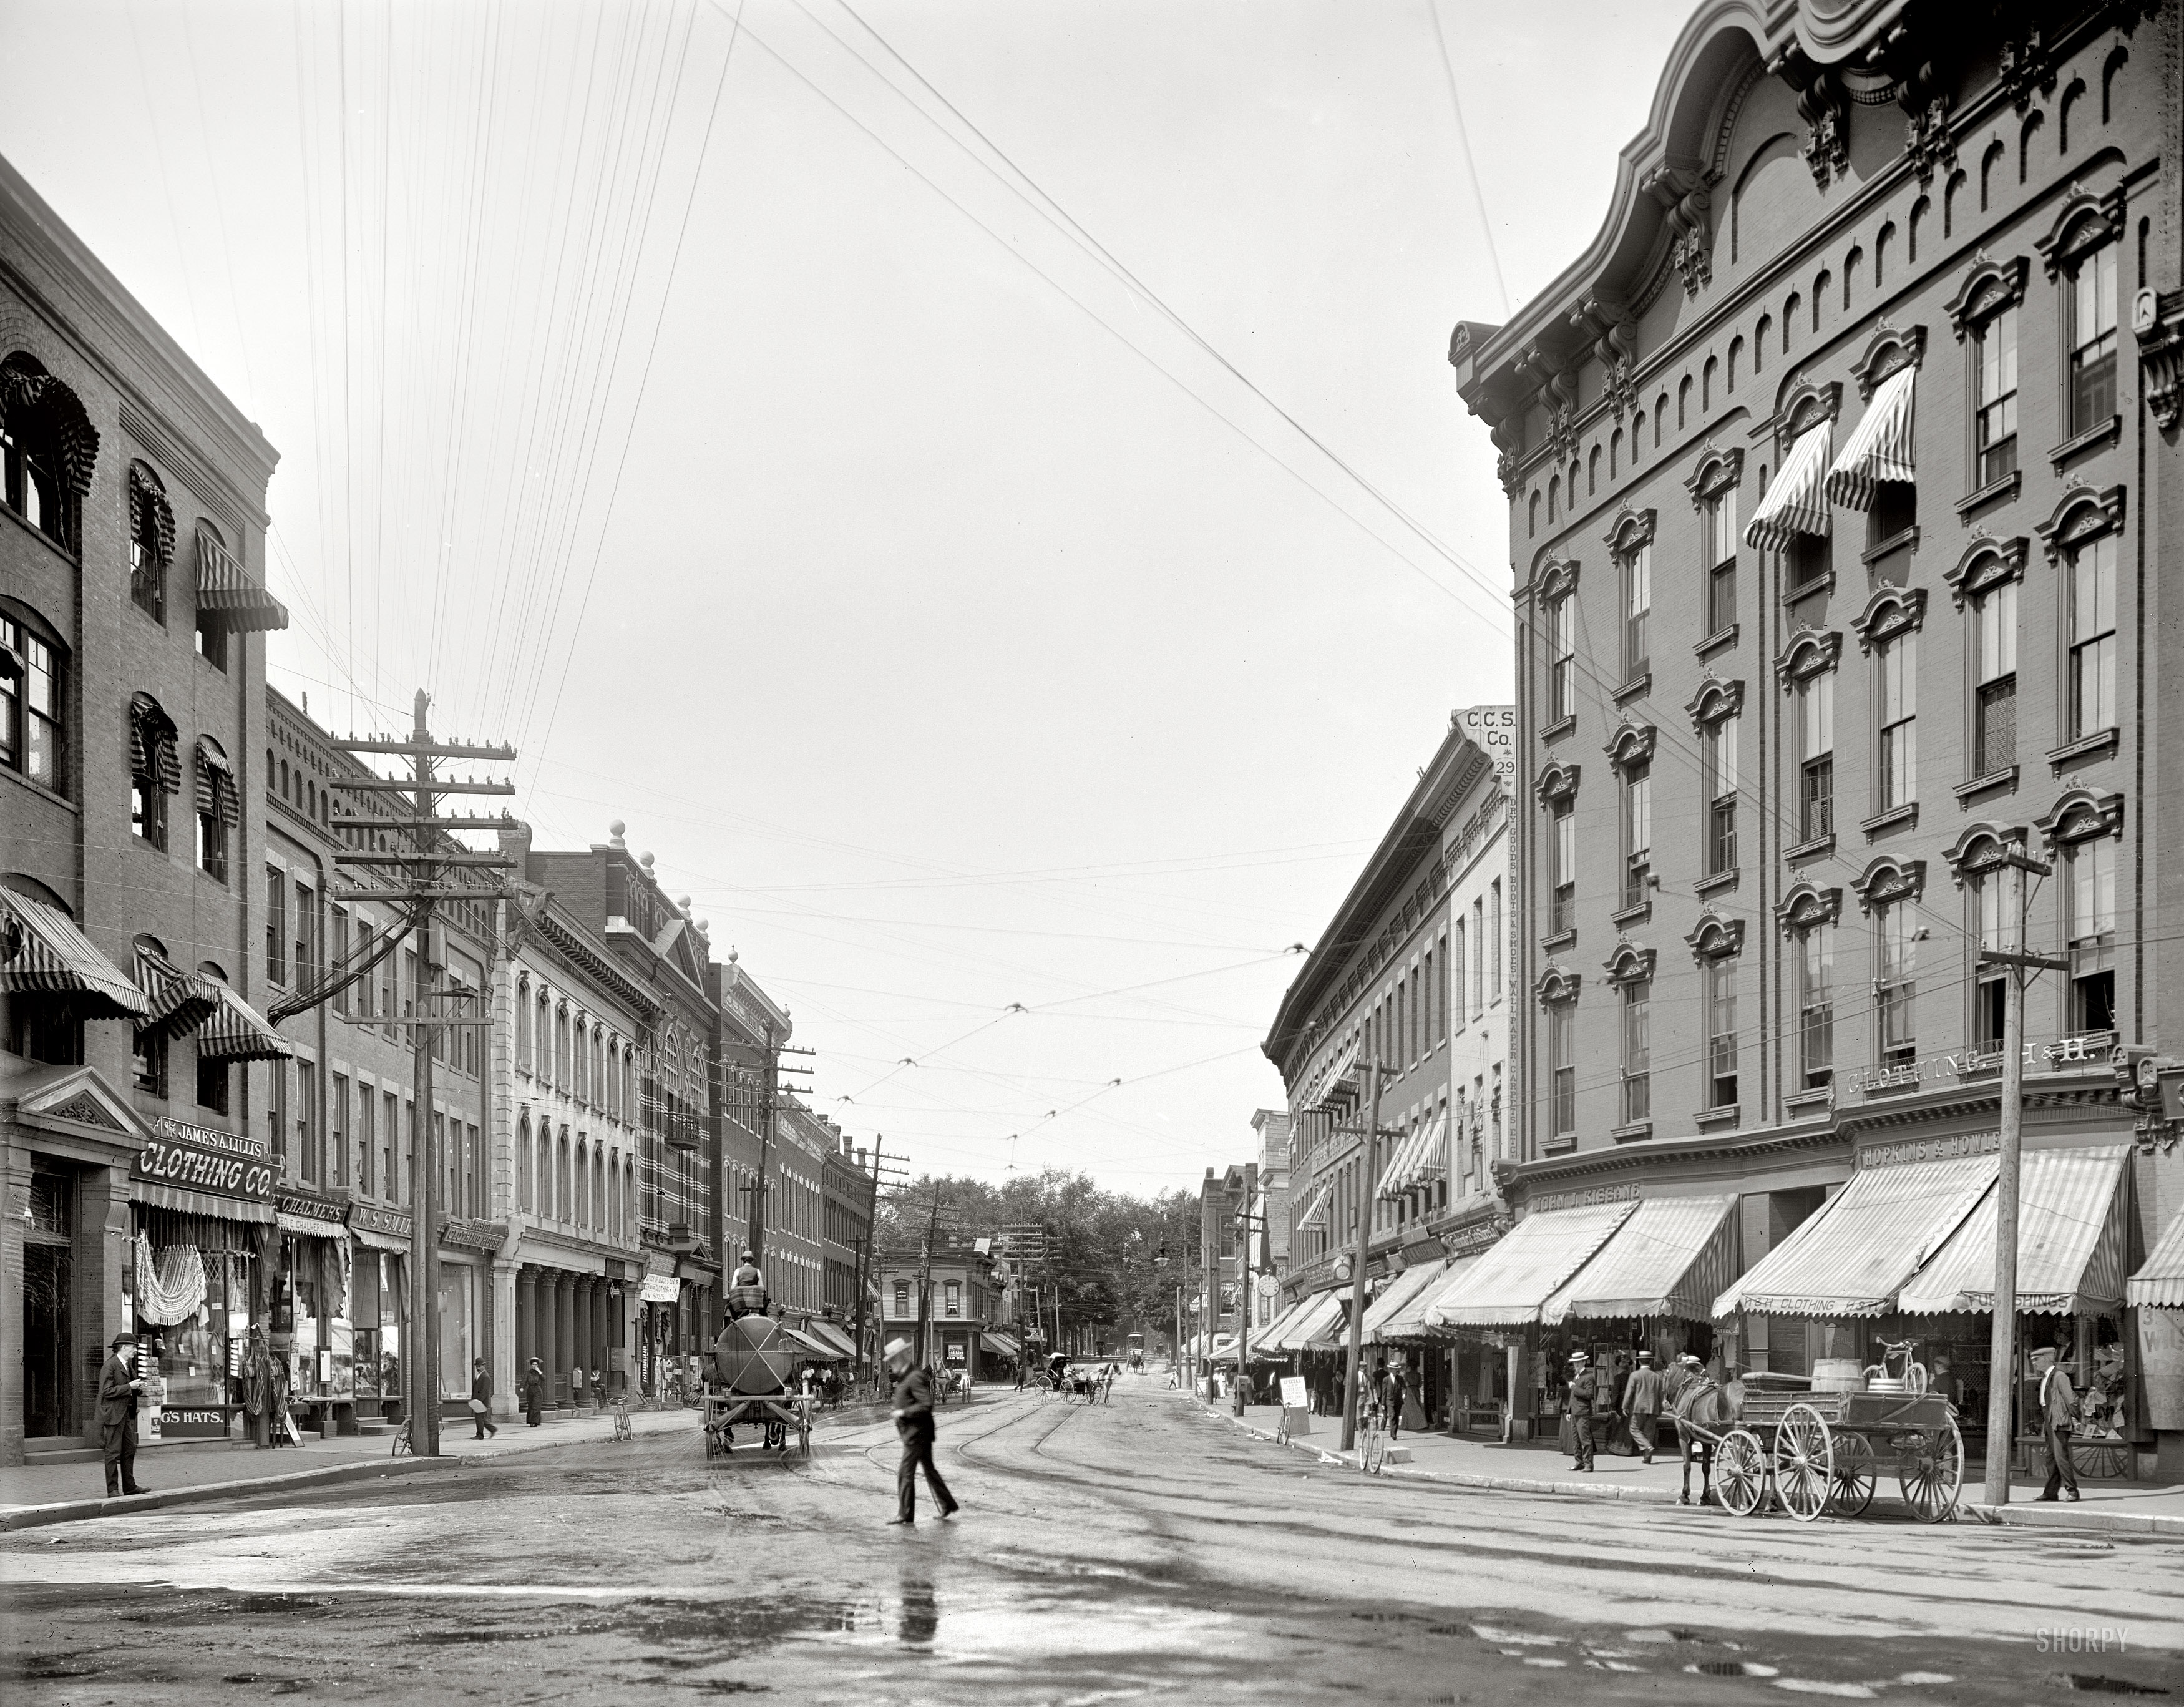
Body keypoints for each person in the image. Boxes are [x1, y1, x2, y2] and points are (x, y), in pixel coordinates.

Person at [886, 1337, 958, 1525]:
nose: (891, 1364)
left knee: (905, 1472)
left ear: (901, 1358)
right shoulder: (906, 1377)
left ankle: (905, 1514)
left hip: (917, 1433)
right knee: (929, 1470)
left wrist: (903, 1412)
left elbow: (926, 1404)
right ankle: (947, 1504)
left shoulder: (913, 1377)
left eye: (893, 1360)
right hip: (917, 1432)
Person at [98, 1332, 147, 1498]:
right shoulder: (110, 1365)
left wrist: (137, 1388)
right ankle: (112, 1490)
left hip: (125, 1414)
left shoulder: (127, 1365)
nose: (135, 1350)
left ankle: (129, 1487)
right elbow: (106, 1392)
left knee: (129, 1449)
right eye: (133, 1347)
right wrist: (130, 1387)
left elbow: (129, 1386)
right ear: (124, 1347)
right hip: (113, 1415)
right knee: (112, 1452)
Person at [2035, 1346, 2080, 1502]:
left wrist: (2076, 1417)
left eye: (2037, 1360)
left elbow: (2072, 1399)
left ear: (2046, 1359)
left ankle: (2072, 1491)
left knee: (2061, 1458)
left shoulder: (2059, 1376)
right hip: (2050, 1420)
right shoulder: (2048, 1376)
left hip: (2058, 1421)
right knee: (2052, 1458)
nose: (2035, 1364)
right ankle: (2050, 1493)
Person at [1624, 1350, 1664, 1465]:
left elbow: (1629, 1392)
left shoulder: (1634, 1375)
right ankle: (1647, 1458)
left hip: (1639, 1407)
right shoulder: (1657, 1377)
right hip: (1653, 1408)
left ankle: (1647, 1446)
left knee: (1634, 1429)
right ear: (1651, 1362)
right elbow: (1661, 1394)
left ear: (1640, 1362)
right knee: (1649, 1432)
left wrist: (1625, 1406)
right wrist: (1661, 1409)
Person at [1565, 1351, 1599, 1472]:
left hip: (1583, 1412)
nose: (1577, 1365)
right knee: (1576, 1440)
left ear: (1584, 1362)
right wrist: (1569, 1411)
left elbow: (1589, 1394)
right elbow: (1573, 1396)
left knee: (1585, 1439)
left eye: (1579, 1362)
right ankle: (1579, 1462)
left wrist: (1574, 1387)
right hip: (1575, 1411)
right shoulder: (1577, 1376)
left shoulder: (1588, 1376)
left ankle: (1589, 1464)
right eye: (1575, 1363)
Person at [726, 1250, 769, 1320]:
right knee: (765, 1302)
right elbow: (761, 1286)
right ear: (752, 1261)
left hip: (741, 1302)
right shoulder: (757, 1271)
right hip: (755, 1301)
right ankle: (764, 1318)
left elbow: (734, 1286)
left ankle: (735, 1319)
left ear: (743, 1261)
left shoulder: (738, 1271)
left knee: (730, 1304)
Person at [470, 1359, 498, 1440]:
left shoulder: (485, 1377)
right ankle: (492, 1429)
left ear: (484, 1366)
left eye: (480, 1366)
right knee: (481, 1418)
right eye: (477, 1367)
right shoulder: (480, 1375)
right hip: (478, 1401)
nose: (478, 1368)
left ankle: (480, 1435)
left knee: (479, 1418)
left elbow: (484, 1391)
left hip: (481, 1402)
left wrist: (479, 1401)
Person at [522, 1357, 547, 1427]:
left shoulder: (539, 1373)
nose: (534, 1366)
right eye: (533, 1364)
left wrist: (539, 1371)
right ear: (531, 1365)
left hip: (537, 1390)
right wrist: (522, 1387)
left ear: (538, 1365)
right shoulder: (528, 1373)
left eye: (536, 1364)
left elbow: (544, 1378)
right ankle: (532, 1421)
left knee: (536, 1406)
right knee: (531, 1406)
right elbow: (524, 1380)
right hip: (530, 1390)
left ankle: (534, 1421)